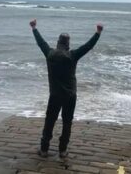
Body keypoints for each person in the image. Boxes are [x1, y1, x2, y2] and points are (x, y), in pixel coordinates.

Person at [30, 19, 103, 158]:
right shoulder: (72, 55)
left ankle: (44, 149)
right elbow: (88, 46)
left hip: (55, 95)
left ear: (58, 42)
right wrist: (98, 32)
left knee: (50, 121)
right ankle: (62, 150)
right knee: (67, 122)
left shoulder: (50, 54)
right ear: (68, 44)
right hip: (70, 95)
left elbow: (41, 42)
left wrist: (34, 28)